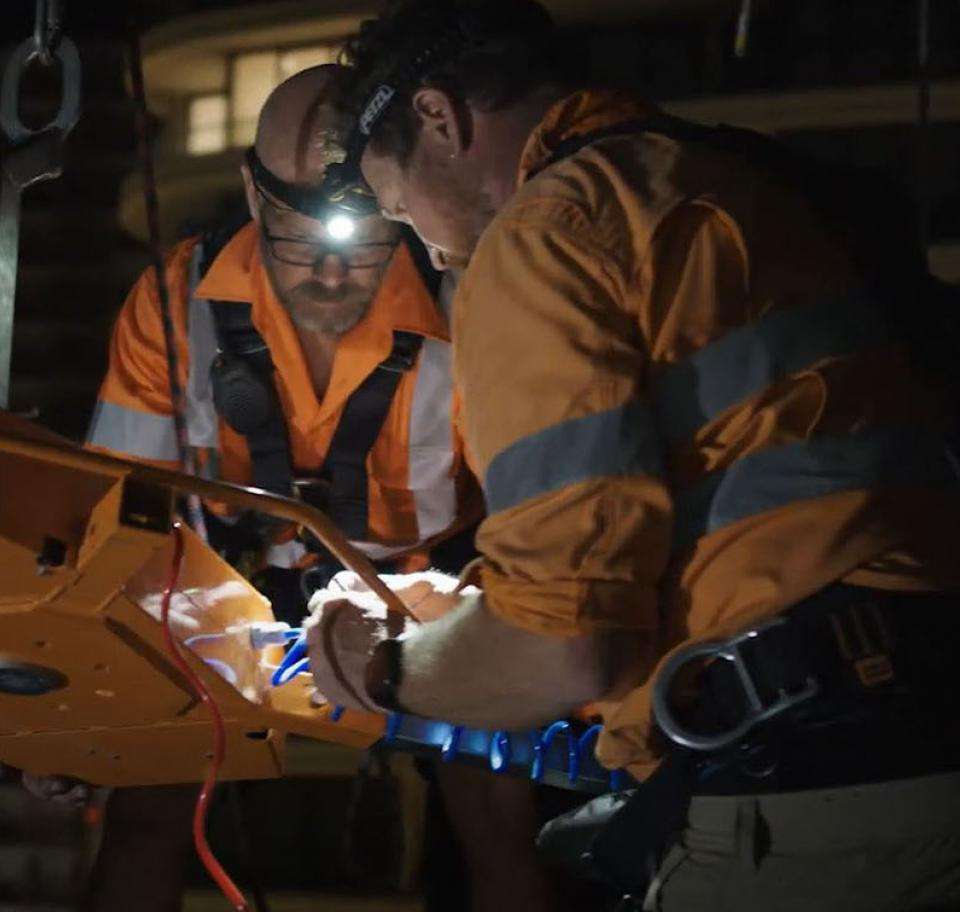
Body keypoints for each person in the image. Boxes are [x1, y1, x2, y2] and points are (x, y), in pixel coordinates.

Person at [305, 2, 960, 909]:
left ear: (438, 118)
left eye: (401, 210)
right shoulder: (728, 179)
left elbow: (566, 651)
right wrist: (476, 619)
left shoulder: (546, 234)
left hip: (808, 797)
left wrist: (383, 663)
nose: (434, 247)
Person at [47, 64, 584, 912]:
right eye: (302, 241)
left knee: (497, 813)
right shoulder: (172, 299)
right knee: (146, 804)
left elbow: (528, 515)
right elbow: (116, 506)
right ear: (254, 202)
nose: (334, 277)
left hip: (426, 587)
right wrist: (81, 678)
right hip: (221, 583)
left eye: (367, 244)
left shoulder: (465, 298)